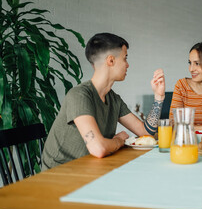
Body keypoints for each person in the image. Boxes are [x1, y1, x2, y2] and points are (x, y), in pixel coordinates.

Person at [41, 33, 165, 170]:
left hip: (90, 168)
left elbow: (145, 133)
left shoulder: (113, 99)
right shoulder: (79, 95)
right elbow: (98, 148)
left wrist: (158, 98)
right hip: (59, 176)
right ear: (110, 61)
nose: (128, 65)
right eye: (125, 58)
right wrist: (118, 140)